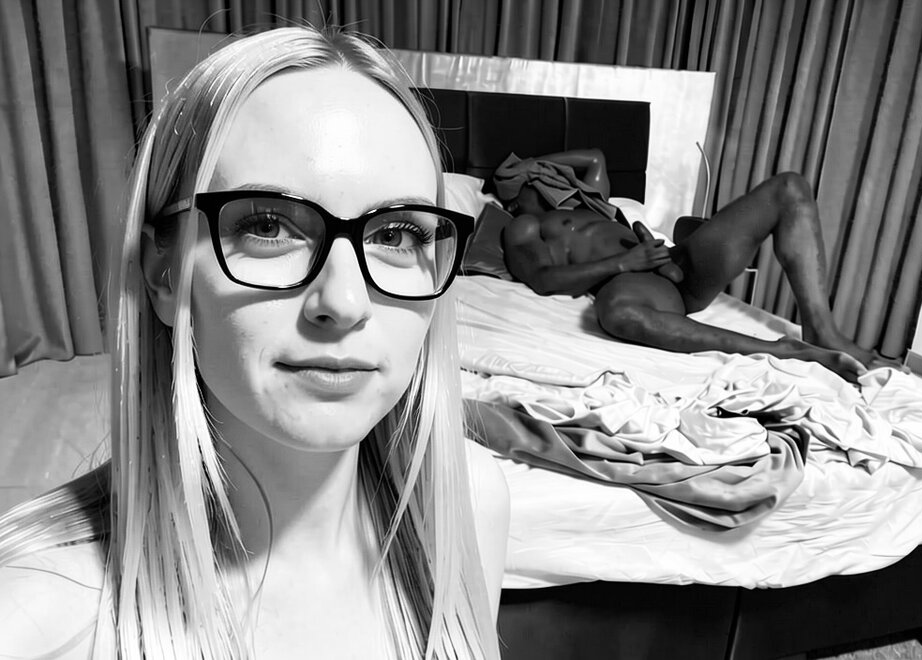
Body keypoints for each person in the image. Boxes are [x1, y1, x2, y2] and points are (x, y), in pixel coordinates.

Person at [0, 27, 508, 659]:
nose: (345, 302)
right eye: (268, 226)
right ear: (163, 274)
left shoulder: (469, 506)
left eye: (397, 235)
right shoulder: (38, 620)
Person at [498, 148, 876, 382]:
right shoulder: (524, 224)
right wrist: (625, 262)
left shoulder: (593, 201)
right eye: (530, 181)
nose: (542, 180)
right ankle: (781, 350)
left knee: (789, 188)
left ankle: (821, 329)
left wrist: (534, 163)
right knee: (617, 313)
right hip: (637, 284)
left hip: (675, 261)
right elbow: (544, 279)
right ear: (512, 197)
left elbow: (596, 156)